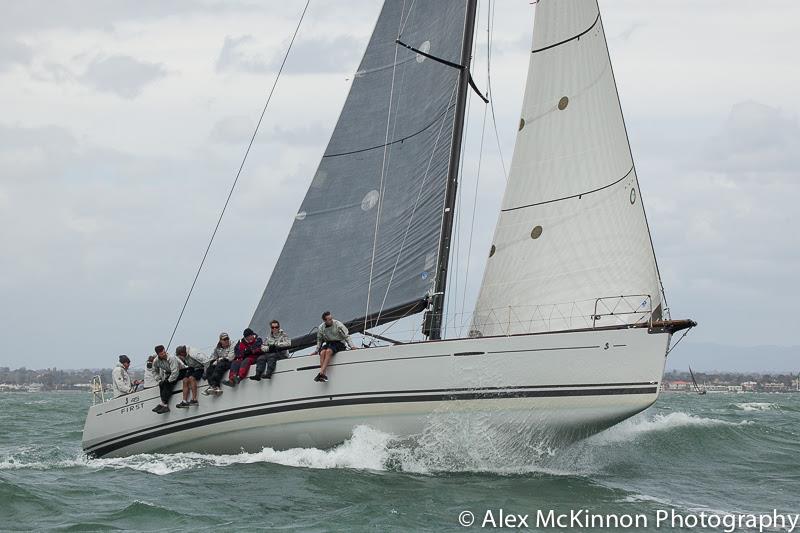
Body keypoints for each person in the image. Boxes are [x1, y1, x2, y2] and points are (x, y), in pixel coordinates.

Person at [312, 311, 356, 383]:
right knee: (322, 352)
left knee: (329, 351)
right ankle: (323, 375)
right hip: (329, 343)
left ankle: (321, 373)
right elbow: (319, 340)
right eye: (329, 319)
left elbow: (346, 336)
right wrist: (316, 351)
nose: (331, 320)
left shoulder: (338, 325)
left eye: (331, 318)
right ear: (324, 321)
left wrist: (352, 346)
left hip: (339, 343)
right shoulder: (321, 328)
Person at [152, 345, 185, 414]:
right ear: (158, 354)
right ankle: (164, 404)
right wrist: (159, 380)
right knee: (161, 384)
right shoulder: (156, 361)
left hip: (182, 371)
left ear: (165, 350)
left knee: (167, 384)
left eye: (164, 352)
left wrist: (168, 381)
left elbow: (175, 372)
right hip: (170, 372)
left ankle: (164, 404)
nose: (163, 354)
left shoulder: (171, 358)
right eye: (161, 354)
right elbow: (154, 371)